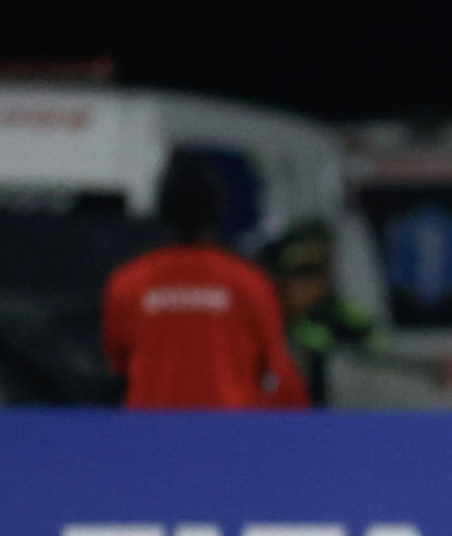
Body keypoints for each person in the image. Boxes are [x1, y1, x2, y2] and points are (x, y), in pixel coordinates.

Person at [102, 153, 310, 409]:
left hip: (152, 437)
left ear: (163, 209)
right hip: (229, 438)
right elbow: (276, 370)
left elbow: (117, 361)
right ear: (218, 209)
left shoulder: (128, 282)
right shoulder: (249, 282)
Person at [265, 218, 378, 406]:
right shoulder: (266, 321)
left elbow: (378, 351)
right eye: (303, 273)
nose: (310, 286)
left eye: (319, 272)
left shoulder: (350, 320)